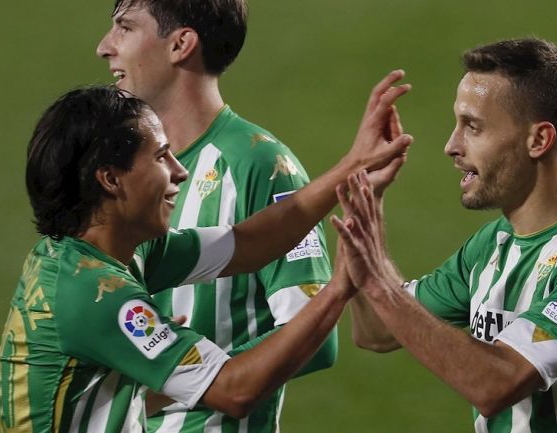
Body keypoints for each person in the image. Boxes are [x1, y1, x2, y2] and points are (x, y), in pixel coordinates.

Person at [0, 79, 410, 432]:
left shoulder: (110, 252)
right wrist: (340, 287)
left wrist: (353, 168)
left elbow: (247, 243)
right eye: (161, 156)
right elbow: (236, 391)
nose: (179, 171)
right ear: (110, 179)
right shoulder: (93, 292)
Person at [335, 38, 557, 433]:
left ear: (539, 140)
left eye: (472, 127)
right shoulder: (490, 247)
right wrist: (365, 200)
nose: (451, 147)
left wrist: (378, 281)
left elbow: (496, 383)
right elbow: (377, 331)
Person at [93, 2, 360, 430]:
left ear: (181, 44)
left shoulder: (262, 165)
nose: (104, 47)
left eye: (125, 28)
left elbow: (314, 336)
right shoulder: (117, 169)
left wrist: (182, 384)